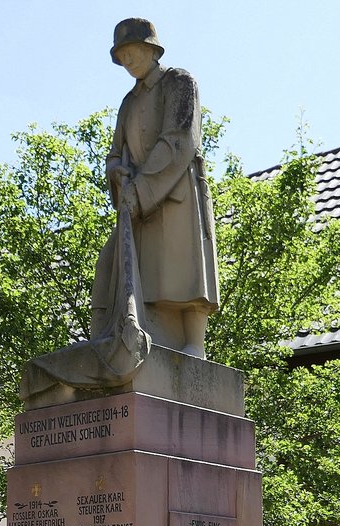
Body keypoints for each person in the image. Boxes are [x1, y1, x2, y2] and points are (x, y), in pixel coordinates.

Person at [91, 18, 219, 358]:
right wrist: (117, 174)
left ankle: (194, 345)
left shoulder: (179, 83)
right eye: (122, 57)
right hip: (137, 200)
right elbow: (114, 153)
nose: (128, 62)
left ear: (150, 49)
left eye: (132, 53)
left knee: (184, 268)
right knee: (120, 267)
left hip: (176, 190)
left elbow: (177, 140)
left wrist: (143, 189)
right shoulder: (127, 103)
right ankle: (143, 338)